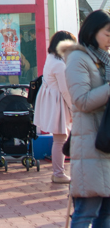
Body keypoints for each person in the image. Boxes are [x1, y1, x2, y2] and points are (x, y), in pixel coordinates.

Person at [63, 10, 110, 228]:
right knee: (86, 210)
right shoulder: (78, 59)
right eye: (107, 33)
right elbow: (81, 101)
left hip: (105, 144)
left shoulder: (104, 60)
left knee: (105, 211)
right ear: (93, 31)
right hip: (90, 143)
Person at [34, 29, 75, 186]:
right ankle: (58, 173)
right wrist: (74, 108)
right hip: (59, 105)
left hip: (53, 103)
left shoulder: (51, 59)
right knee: (60, 140)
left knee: (59, 139)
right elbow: (66, 90)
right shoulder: (59, 65)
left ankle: (58, 172)